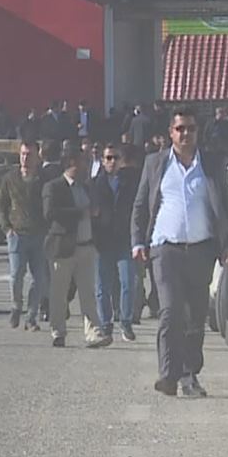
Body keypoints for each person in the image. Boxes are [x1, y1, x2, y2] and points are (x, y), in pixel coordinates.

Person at [131, 106, 228, 399]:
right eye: (180, 129)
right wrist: (138, 242)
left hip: (201, 250)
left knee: (195, 317)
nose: (185, 134)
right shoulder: (155, 163)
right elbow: (141, 206)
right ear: (171, 133)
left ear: (197, 132)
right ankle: (168, 375)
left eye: (190, 129)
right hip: (165, 249)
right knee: (170, 311)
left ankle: (189, 375)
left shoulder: (211, 164)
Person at [42, 149, 108, 349]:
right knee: (59, 294)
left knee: (88, 294)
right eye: (83, 162)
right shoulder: (54, 187)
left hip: (86, 246)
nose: (87, 166)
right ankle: (58, 331)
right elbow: (50, 213)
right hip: (63, 248)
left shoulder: (86, 187)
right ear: (72, 163)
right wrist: (80, 213)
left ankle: (94, 333)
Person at [0, 141, 49, 332]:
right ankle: (16, 306)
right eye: (23, 154)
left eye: (29, 154)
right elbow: (1, 203)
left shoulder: (43, 179)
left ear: (37, 157)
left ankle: (31, 316)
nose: (25, 158)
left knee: (39, 278)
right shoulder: (10, 178)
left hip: (39, 234)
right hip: (17, 234)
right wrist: (6, 228)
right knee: (16, 274)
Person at [91, 144, 141, 343]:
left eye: (116, 158)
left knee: (128, 282)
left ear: (122, 161)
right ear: (102, 161)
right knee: (102, 286)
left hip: (124, 240)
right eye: (108, 158)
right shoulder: (95, 184)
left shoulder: (130, 182)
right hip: (102, 241)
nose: (112, 162)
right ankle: (105, 323)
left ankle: (126, 321)